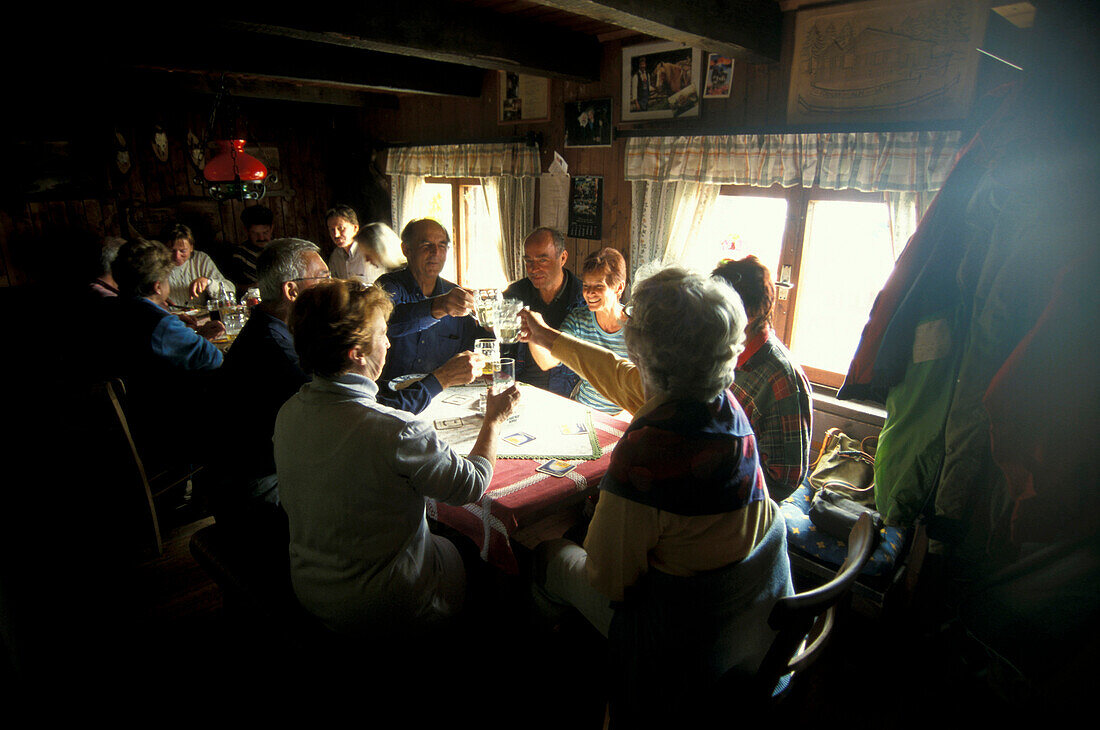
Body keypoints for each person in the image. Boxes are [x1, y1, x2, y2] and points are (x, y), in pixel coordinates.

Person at [521, 266, 793, 725]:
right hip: (752, 619)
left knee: (543, 554)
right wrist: (551, 340)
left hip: (679, 641)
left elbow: (609, 579)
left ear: (643, 346)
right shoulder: (723, 402)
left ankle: (554, 680)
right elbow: (622, 378)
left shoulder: (647, 450)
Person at [272, 279, 521, 638]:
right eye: (382, 334)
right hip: (384, 605)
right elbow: (472, 484)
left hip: (311, 588)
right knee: (475, 549)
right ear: (357, 351)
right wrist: (494, 420)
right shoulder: (396, 431)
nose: (388, 342)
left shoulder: (290, 411)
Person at [215, 238, 482, 523]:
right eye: (322, 277)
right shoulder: (282, 351)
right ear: (291, 290)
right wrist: (441, 378)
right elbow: (373, 412)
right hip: (264, 494)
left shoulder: (274, 330)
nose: (333, 284)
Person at [108, 238, 225, 468]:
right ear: (157, 287)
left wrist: (188, 332)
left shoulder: (113, 309)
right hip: (166, 428)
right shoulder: (160, 325)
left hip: (128, 423)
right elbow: (214, 359)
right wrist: (196, 337)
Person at [713, 256, 813, 501]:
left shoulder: (781, 379)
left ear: (749, 313)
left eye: (719, 308)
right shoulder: (724, 352)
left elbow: (784, 480)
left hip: (747, 503)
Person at [375, 218, 486, 386]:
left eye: (442, 246)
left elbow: (472, 350)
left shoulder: (457, 296)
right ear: (406, 249)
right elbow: (387, 324)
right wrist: (438, 307)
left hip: (442, 396)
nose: (435, 252)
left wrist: (491, 327)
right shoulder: (387, 286)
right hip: (391, 395)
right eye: (426, 245)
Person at [528, 247, 629, 415]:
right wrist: (532, 333)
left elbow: (646, 392)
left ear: (619, 288)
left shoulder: (637, 328)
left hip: (622, 419)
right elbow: (547, 362)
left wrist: (621, 422)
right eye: (586, 285)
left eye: (598, 286)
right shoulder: (578, 319)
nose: (589, 293)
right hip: (583, 412)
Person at [502, 227, 584, 395]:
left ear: (563, 258)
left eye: (542, 260)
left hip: (567, 394)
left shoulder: (583, 298)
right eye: (528, 261)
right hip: (519, 388)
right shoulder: (514, 294)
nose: (533, 269)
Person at [163, 223, 235, 309]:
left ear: (191, 248)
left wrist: (208, 282)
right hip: (170, 316)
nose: (177, 256)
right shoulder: (158, 263)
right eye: (171, 251)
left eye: (183, 251)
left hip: (200, 315)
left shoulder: (200, 260)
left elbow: (230, 290)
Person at [325, 204, 387, 284]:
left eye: (341, 228)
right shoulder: (335, 257)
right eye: (332, 230)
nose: (336, 234)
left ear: (355, 228)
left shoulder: (369, 252)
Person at [230, 205, 274, 290]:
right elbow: (234, 286)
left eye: (265, 232)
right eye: (255, 233)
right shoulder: (240, 255)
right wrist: (254, 286)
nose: (261, 238)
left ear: (272, 228)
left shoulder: (280, 250)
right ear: (246, 230)